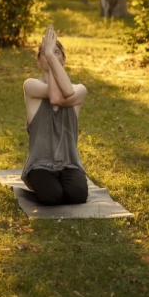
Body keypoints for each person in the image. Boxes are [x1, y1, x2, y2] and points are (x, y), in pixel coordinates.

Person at [21, 25, 89, 205]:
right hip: (40, 164)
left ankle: (65, 181)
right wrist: (53, 61)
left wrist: (50, 57)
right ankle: (40, 182)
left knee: (78, 195)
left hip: (69, 163)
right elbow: (55, 97)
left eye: (56, 52)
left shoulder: (80, 90)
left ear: (64, 59)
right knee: (52, 197)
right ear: (38, 61)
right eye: (45, 53)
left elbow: (62, 95)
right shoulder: (30, 86)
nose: (51, 55)